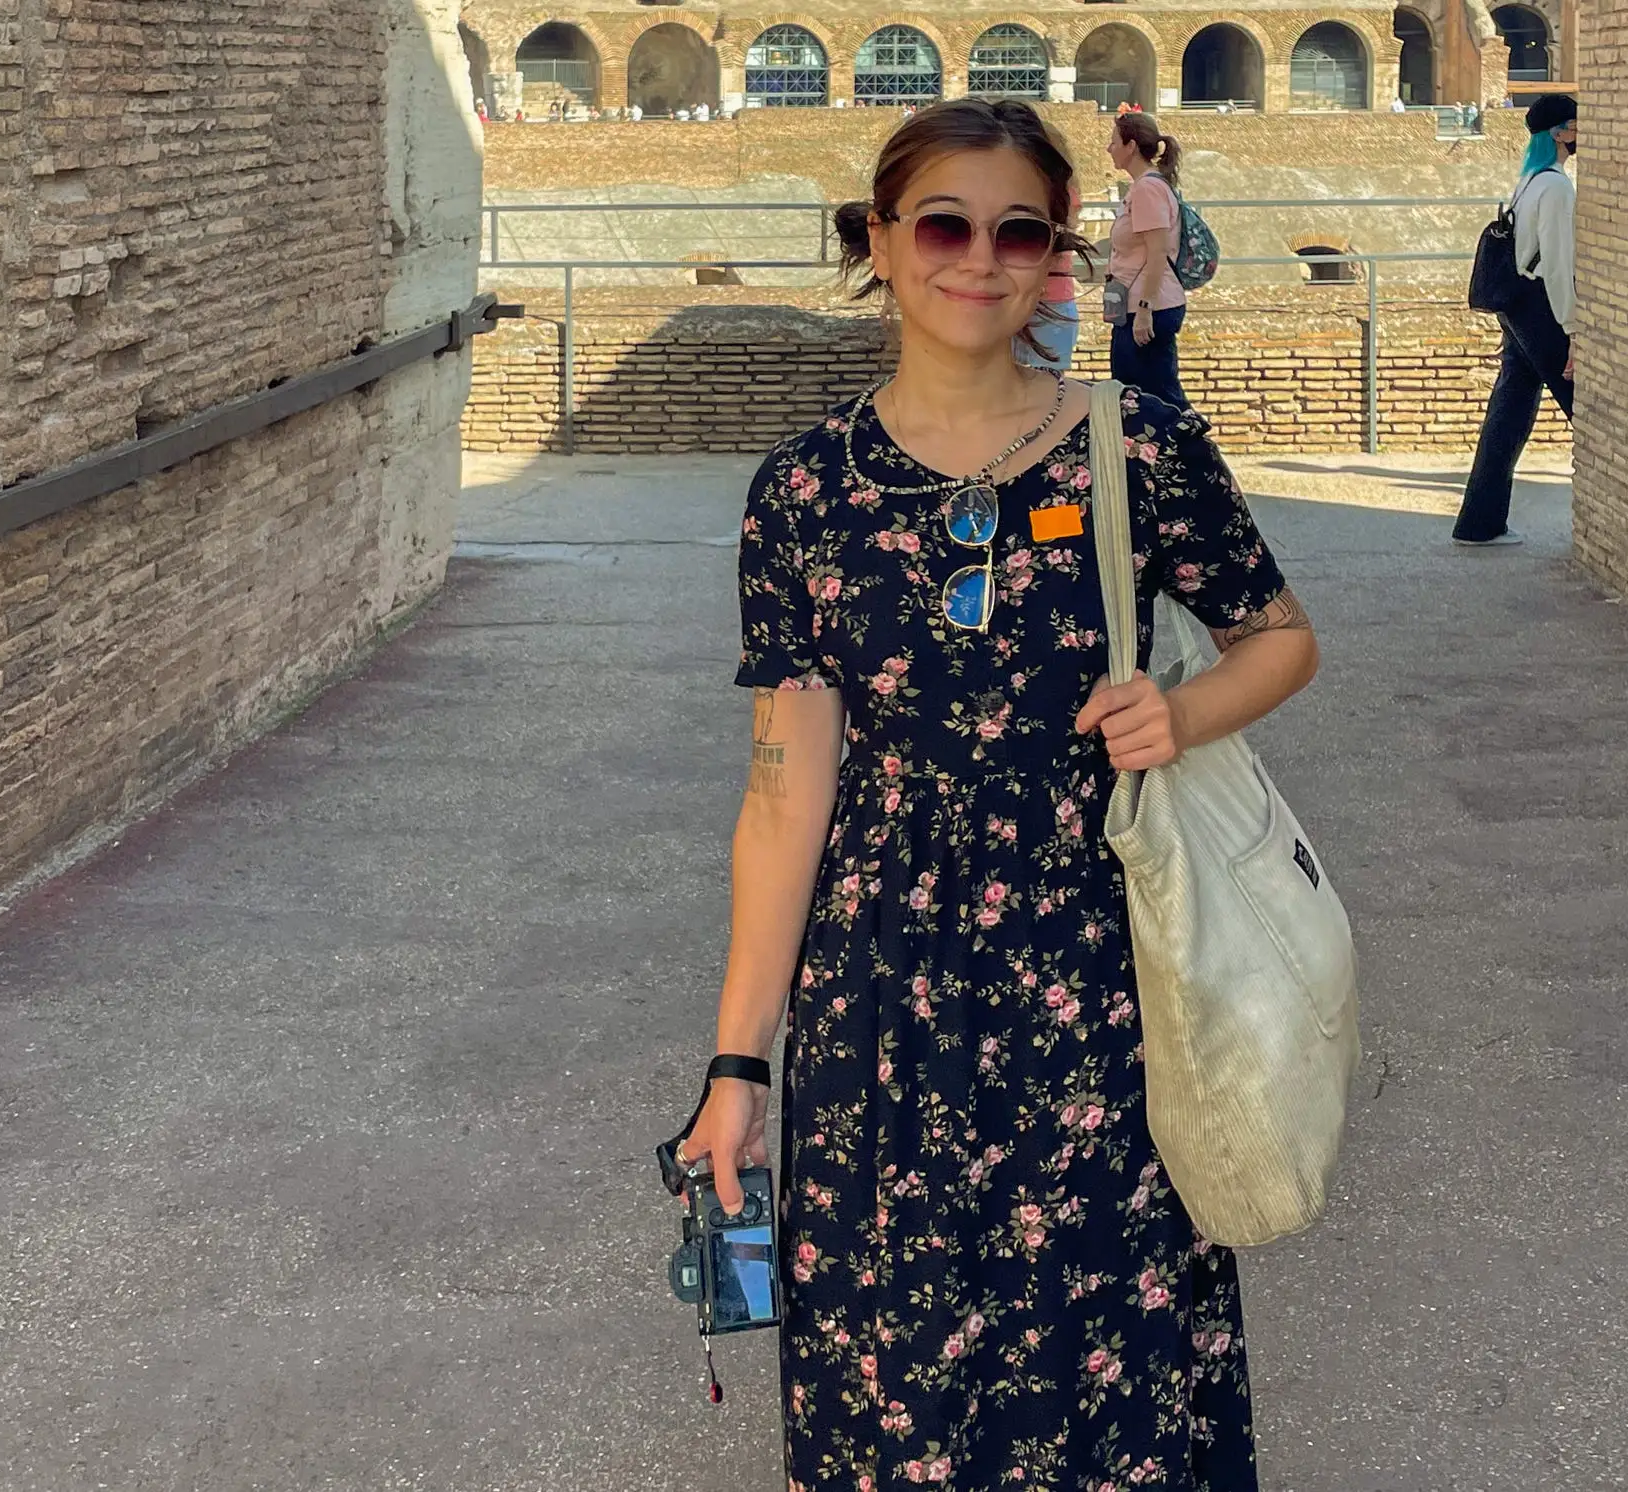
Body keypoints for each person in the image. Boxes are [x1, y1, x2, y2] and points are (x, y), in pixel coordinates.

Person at [674, 96, 1320, 1491]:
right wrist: (737, 1068)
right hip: (881, 996)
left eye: (1017, 229)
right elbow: (785, 798)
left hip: (1099, 967)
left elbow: (1282, 638)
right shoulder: (804, 493)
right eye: (944, 223)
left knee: (1111, 1351)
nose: (979, 256)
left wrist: (1181, 707)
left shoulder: (1134, 448)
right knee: (888, 1371)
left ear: (1054, 260)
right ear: (881, 242)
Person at [1452, 92, 1578, 547]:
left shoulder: (1529, 180)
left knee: (1509, 413)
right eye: (1575, 125)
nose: (1580, 133)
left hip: (1517, 306)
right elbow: (1559, 265)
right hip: (1542, 308)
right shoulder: (1558, 188)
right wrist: (1573, 330)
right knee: (1585, 407)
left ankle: (1479, 524)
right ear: (1561, 134)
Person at [1104, 112, 1190, 407]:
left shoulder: (1147, 189)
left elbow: (1157, 253)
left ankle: (1197, 452)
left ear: (1130, 146)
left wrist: (1144, 310)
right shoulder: (1144, 186)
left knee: (1159, 398)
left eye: (1113, 141)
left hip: (1149, 308)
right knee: (1137, 395)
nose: (1109, 148)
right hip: (1134, 305)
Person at [1018, 176, 1082, 370]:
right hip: (1019, 300)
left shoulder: (1063, 194)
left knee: (1048, 382)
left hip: (1052, 303)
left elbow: (1062, 236)